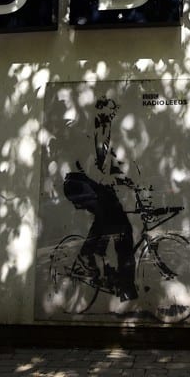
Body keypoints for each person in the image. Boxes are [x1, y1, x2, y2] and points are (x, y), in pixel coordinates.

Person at [62, 98, 137, 301]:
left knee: (124, 228)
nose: (111, 116)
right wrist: (107, 178)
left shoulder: (105, 134)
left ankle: (124, 283)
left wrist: (130, 181)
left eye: (113, 113)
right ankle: (88, 255)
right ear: (98, 111)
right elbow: (87, 165)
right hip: (78, 184)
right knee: (107, 211)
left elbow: (111, 165)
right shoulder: (87, 133)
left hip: (93, 185)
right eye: (108, 112)